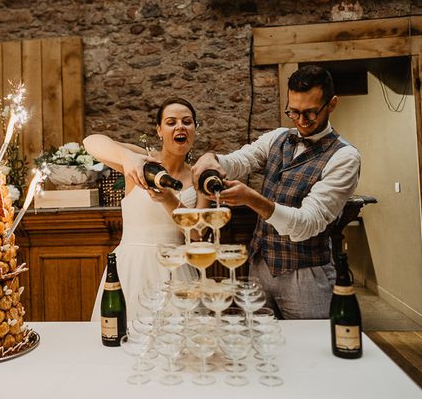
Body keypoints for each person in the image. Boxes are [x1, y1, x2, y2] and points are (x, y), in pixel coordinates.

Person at [192, 65, 361, 319]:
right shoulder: (279, 137)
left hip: (306, 276)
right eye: (293, 112)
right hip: (259, 269)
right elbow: (241, 161)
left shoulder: (345, 157)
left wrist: (253, 199)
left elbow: (308, 223)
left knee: (309, 353)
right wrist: (212, 159)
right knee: (262, 348)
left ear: (332, 104)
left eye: (310, 113)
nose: (301, 121)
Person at [85, 98, 201, 322]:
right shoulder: (141, 163)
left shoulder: (198, 176)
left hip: (176, 269)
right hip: (131, 266)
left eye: (187, 122)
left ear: (194, 129)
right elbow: (91, 142)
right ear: (159, 130)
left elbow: (197, 233)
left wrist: (168, 200)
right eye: (171, 122)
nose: (180, 127)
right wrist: (127, 157)